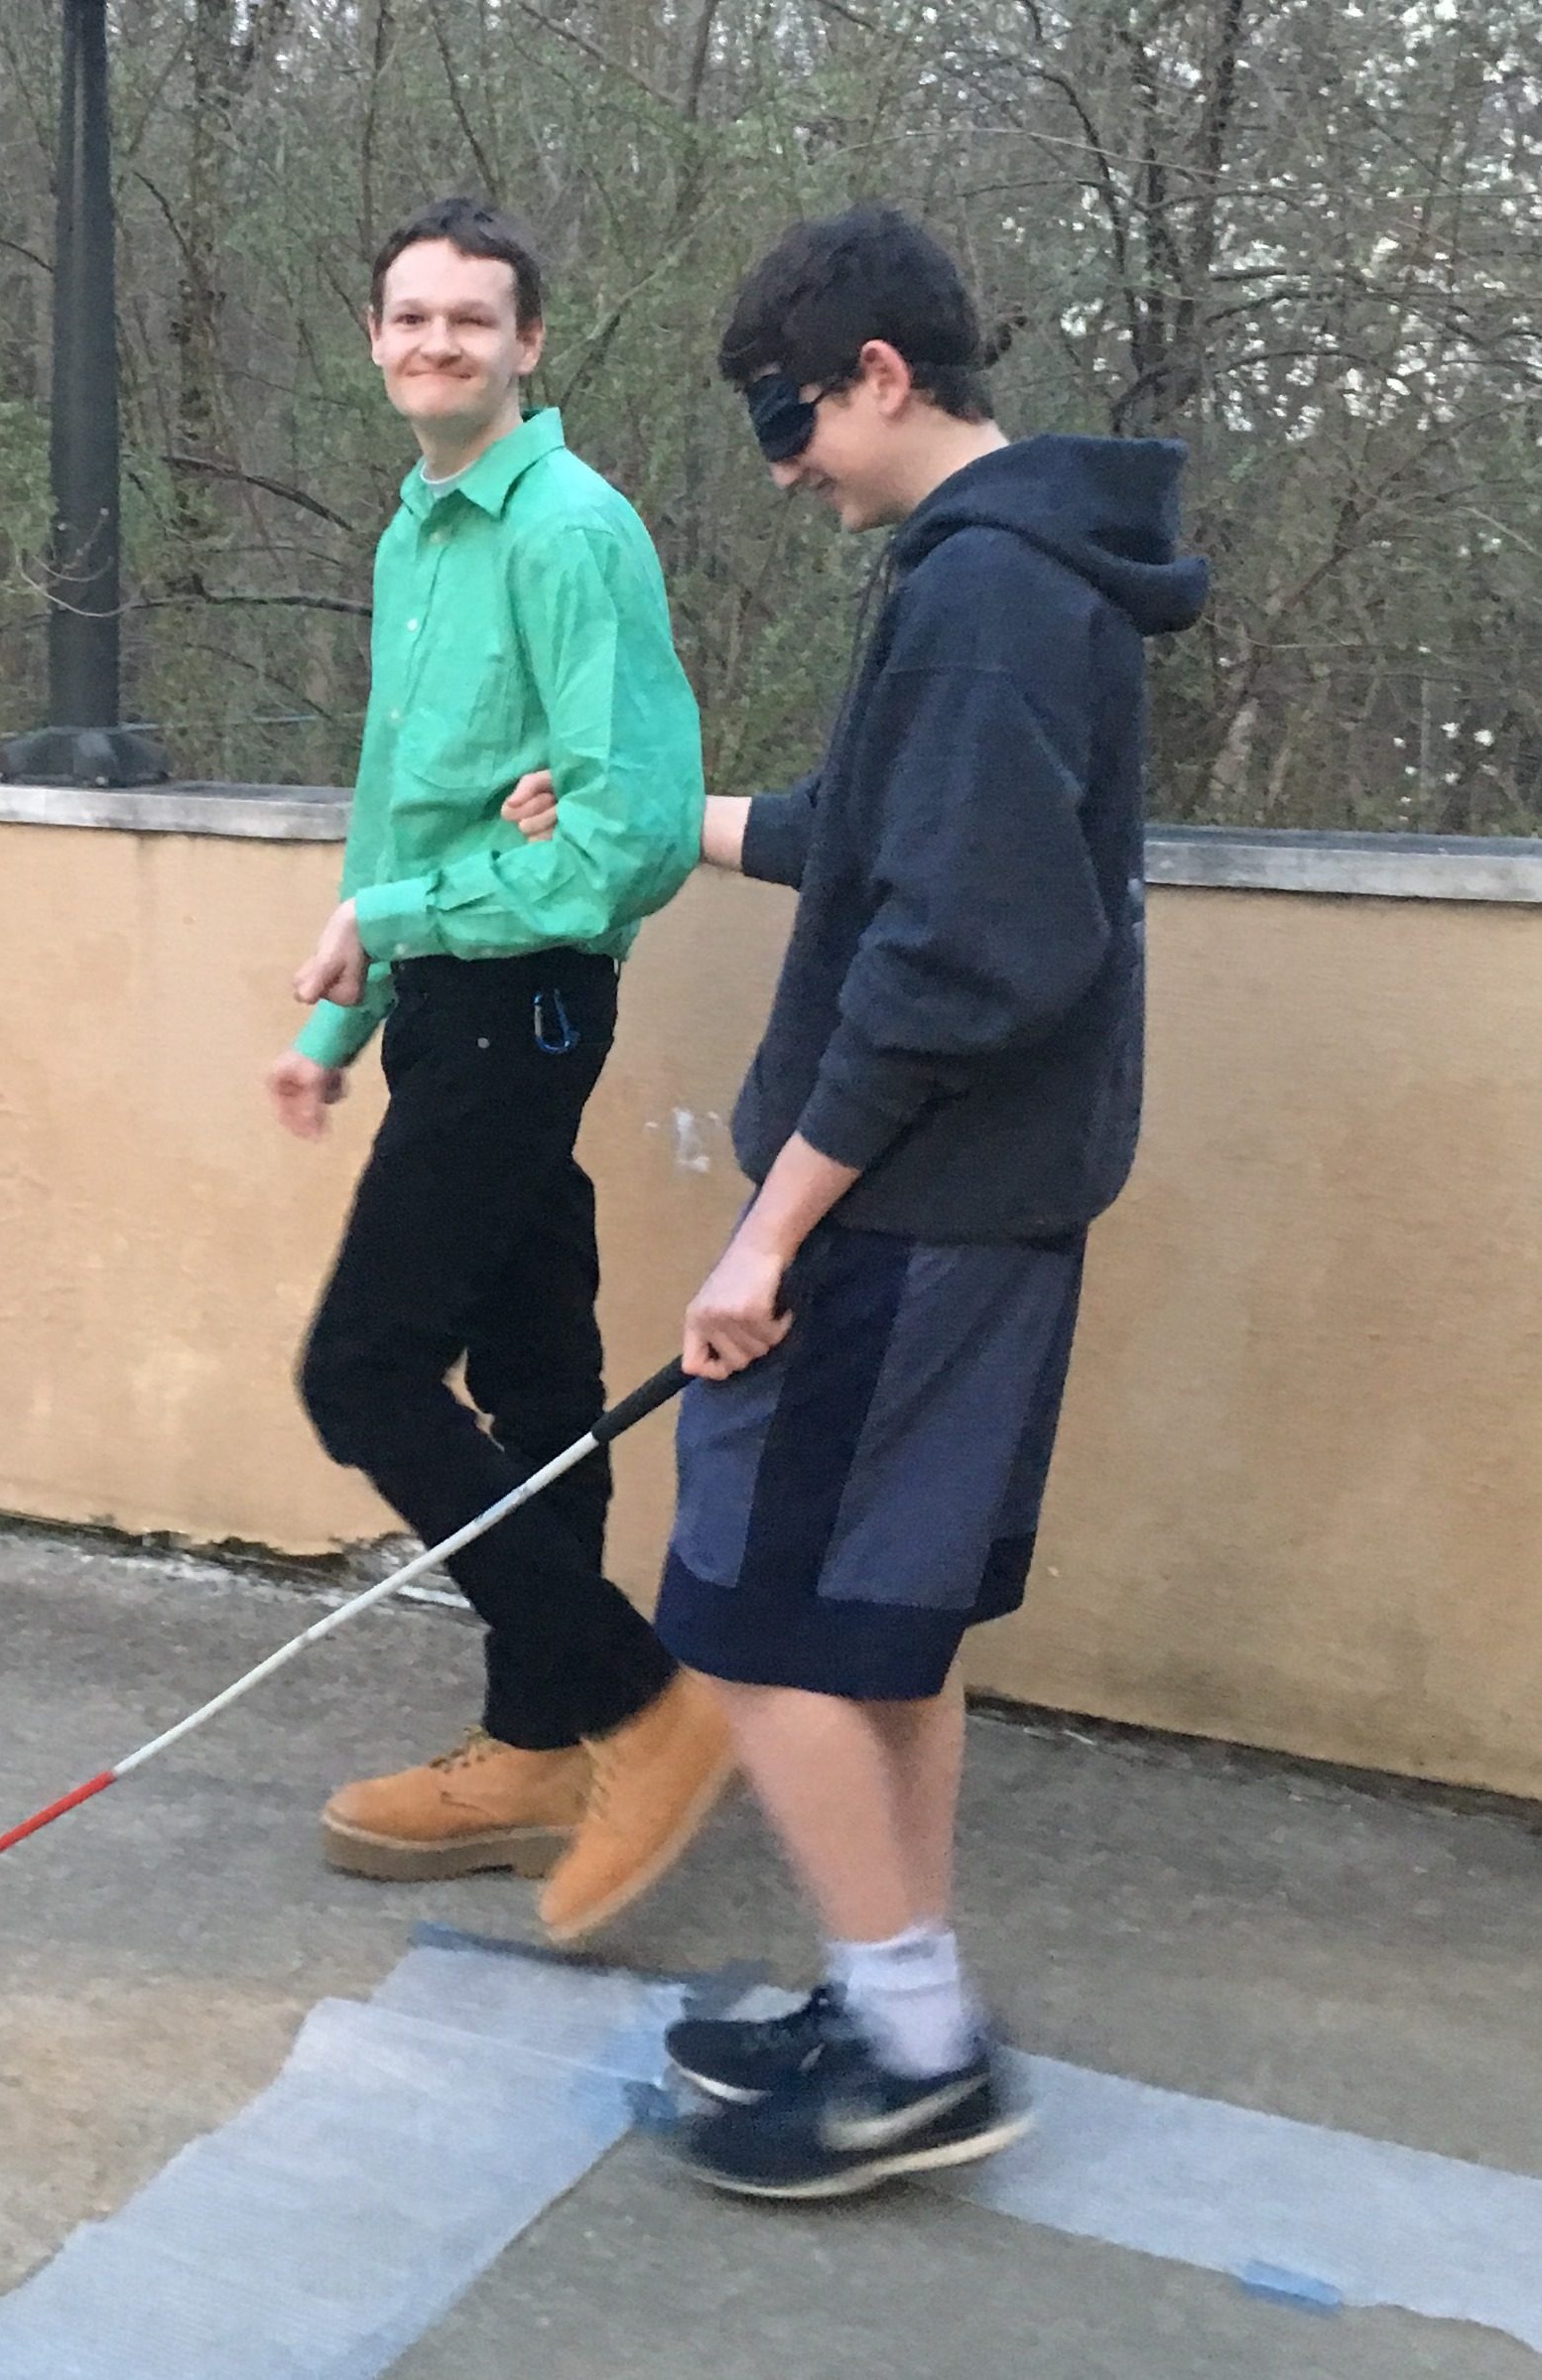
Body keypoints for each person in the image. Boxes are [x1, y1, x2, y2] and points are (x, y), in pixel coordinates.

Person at [647, 204, 1208, 2194]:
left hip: (904, 1210)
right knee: (881, 1622)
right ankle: (897, 1995)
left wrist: (766, 1229)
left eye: (787, 416)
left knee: (755, 1616)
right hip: (970, 1208)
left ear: (879, 374)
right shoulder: (1021, 572)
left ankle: (916, 2051)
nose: (783, 461)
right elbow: (882, 838)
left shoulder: (985, 596)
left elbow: (965, 954)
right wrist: (662, 817)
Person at [269, 197, 730, 1946]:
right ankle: (542, 1745)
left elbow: (630, 840)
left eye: (472, 321)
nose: (435, 345)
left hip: (525, 997)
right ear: (377, 340)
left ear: (531, 344)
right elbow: (404, 812)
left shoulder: (570, 533)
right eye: (409, 319)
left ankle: (639, 1700)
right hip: (451, 996)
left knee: (364, 1372)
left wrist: (397, 911)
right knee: (537, 1381)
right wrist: (336, 1019)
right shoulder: (417, 535)